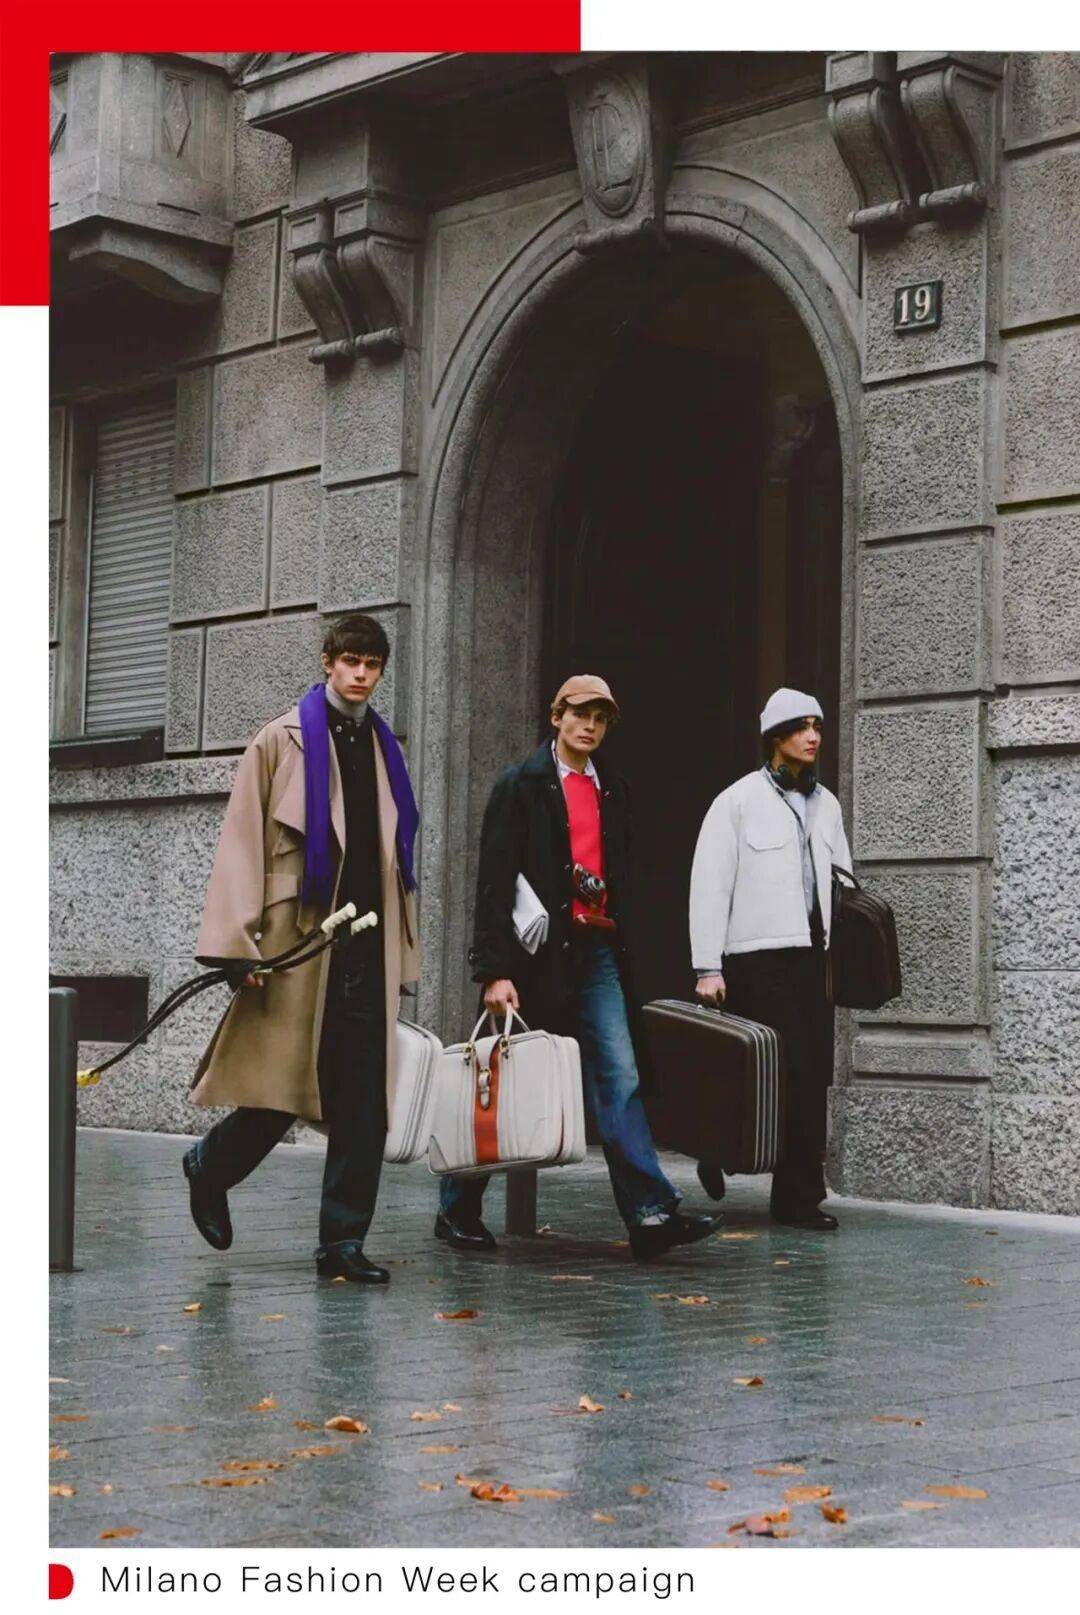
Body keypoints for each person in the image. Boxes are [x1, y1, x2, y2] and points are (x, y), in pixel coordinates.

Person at [436, 674, 720, 1260]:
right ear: (557, 717)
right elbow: (494, 883)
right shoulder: (521, 785)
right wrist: (494, 970)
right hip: (535, 958)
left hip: (597, 955)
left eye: (601, 718)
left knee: (619, 1074)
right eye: (580, 714)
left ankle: (649, 1214)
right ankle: (456, 1209)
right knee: (503, 1077)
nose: (590, 726)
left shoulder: (613, 788)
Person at [182, 613, 421, 1283]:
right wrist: (238, 946)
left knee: (365, 1100)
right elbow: (242, 841)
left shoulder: (386, 749)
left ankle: (342, 1243)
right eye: (350, 660)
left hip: (366, 941)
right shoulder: (280, 739)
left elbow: (395, 861)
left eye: (371, 663)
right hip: (300, 940)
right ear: (327, 662)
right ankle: (209, 1166)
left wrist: (403, 951)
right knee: (284, 1087)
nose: (361, 673)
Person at [689, 687, 853, 1230]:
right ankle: (714, 1148)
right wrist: (708, 966)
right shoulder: (736, 802)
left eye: (817, 727)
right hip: (754, 959)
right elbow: (710, 887)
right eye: (801, 727)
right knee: (749, 1070)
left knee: (807, 1077)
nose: (813, 737)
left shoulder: (827, 805)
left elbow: (844, 883)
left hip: (811, 959)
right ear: (776, 737)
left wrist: (844, 949)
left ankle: (798, 1197)